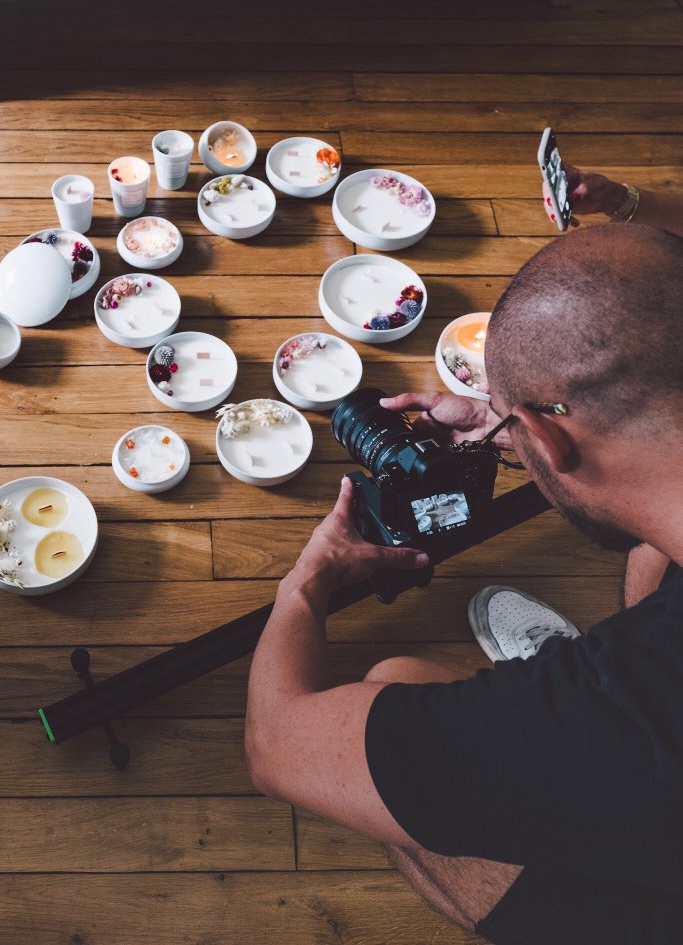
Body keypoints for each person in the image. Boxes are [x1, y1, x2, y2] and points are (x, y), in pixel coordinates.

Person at [245, 173, 683, 945]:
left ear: (545, 440)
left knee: (394, 684)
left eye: (520, 429)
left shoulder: (613, 719)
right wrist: (516, 424)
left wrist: (306, 588)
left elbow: (278, 747)